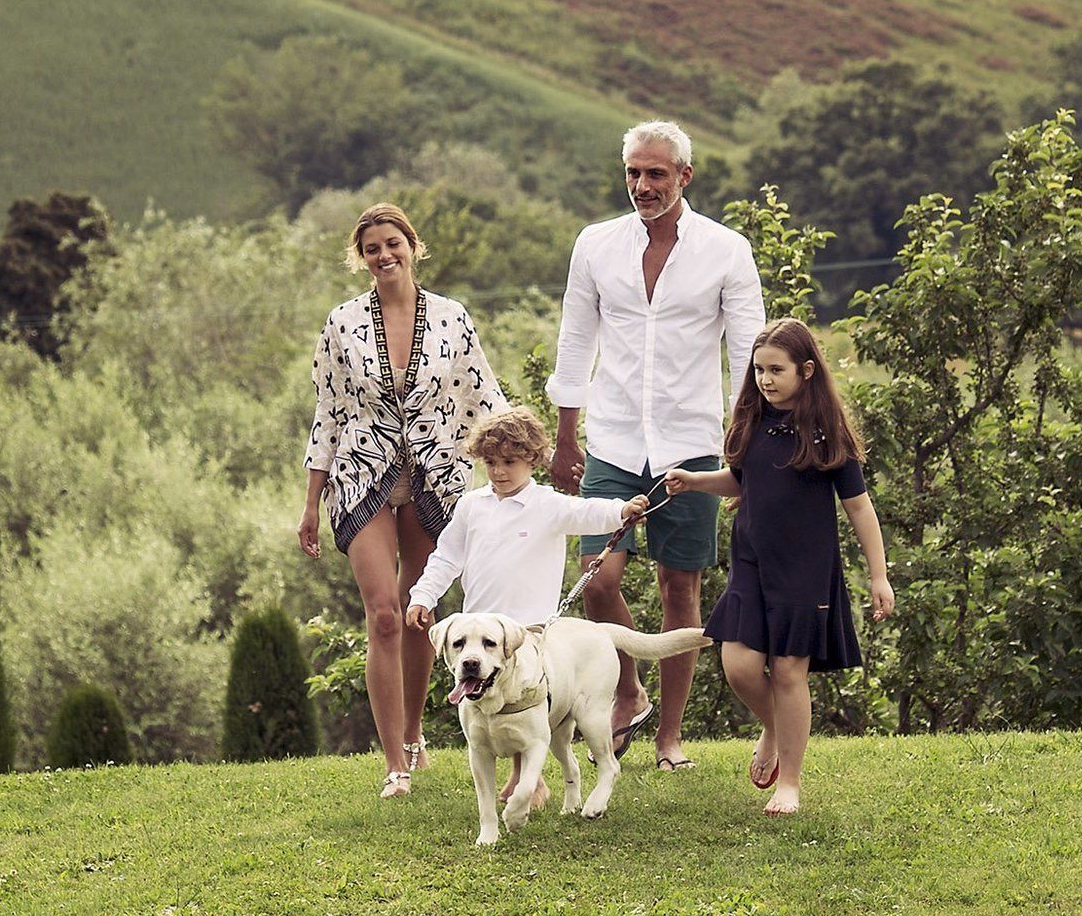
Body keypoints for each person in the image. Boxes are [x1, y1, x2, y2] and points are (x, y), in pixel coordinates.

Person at [548, 119, 766, 769]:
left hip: (692, 442)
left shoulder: (727, 251)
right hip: (612, 439)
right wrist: (564, 433)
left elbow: (748, 352)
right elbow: (575, 338)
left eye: (656, 174)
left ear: (684, 177)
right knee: (596, 579)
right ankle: (628, 690)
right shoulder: (595, 245)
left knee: (680, 587)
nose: (642, 186)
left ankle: (670, 739)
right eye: (633, 174)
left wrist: (744, 450)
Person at [298, 201, 513, 798]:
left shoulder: (451, 318)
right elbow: (327, 413)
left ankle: (415, 734)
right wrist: (312, 502)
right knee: (384, 616)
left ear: (413, 246)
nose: (384, 255)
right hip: (361, 473)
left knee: (420, 611)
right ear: (360, 258)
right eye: (372, 248)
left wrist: (517, 469)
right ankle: (394, 762)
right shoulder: (342, 323)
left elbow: (485, 398)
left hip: (435, 477)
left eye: (393, 243)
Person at [663, 318, 890, 818]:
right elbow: (742, 481)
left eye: (776, 370)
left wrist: (879, 574)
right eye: (759, 369)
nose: (765, 379)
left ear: (806, 371)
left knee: (789, 672)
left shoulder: (828, 433)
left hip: (806, 572)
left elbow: (859, 507)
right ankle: (773, 726)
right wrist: (694, 481)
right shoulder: (752, 422)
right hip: (752, 565)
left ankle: (789, 782)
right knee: (739, 666)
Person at [405, 405, 671, 634]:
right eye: (490, 461)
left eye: (509, 462)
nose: (498, 471)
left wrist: (621, 511)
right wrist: (423, 596)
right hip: (481, 635)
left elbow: (586, 512)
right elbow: (446, 558)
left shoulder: (547, 504)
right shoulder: (471, 505)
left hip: (533, 633)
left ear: (532, 459)